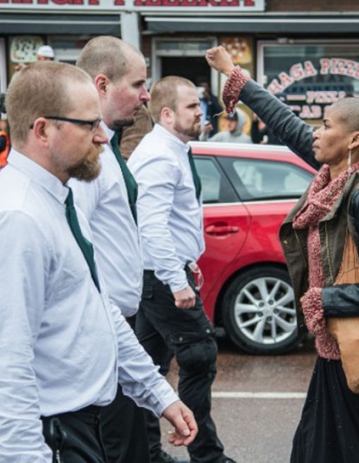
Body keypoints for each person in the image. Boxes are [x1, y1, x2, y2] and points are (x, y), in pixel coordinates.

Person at [0, 60, 198, 462]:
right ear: (43, 130)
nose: (103, 136)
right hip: (44, 436)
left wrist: (158, 394)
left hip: (76, 428)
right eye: (89, 125)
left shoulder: (59, 200)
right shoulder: (16, 220)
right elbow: (6, 367)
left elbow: (97, 308)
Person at [205, 45, 359, 463]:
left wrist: (323, 300)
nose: (314, 131)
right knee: (315, 450)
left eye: (325, 125)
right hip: (332, 350)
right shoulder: (332, 179)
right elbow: (285, 123)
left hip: (357, 355)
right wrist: (233, 75)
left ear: (353, 140)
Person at [128, 76, 237, 463]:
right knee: (199, 354)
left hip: (159, 274)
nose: (201, 111)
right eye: (192, 106)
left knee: (145, 368)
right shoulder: (159, 154)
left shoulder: (173, 149)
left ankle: (144, 453)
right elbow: (151, 225)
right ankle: (207, 457)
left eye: (199, 104)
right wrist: (177, 280)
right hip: (161, 277)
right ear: (168, 113)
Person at [68, 35, 166, 463]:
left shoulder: (106, 146)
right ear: (102, 84)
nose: (147, 96)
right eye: (139, 84)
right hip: (104, 328)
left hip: (119, 324)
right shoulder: (85, 156)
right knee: (119, 450)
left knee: (132, 445)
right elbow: (81, 255)